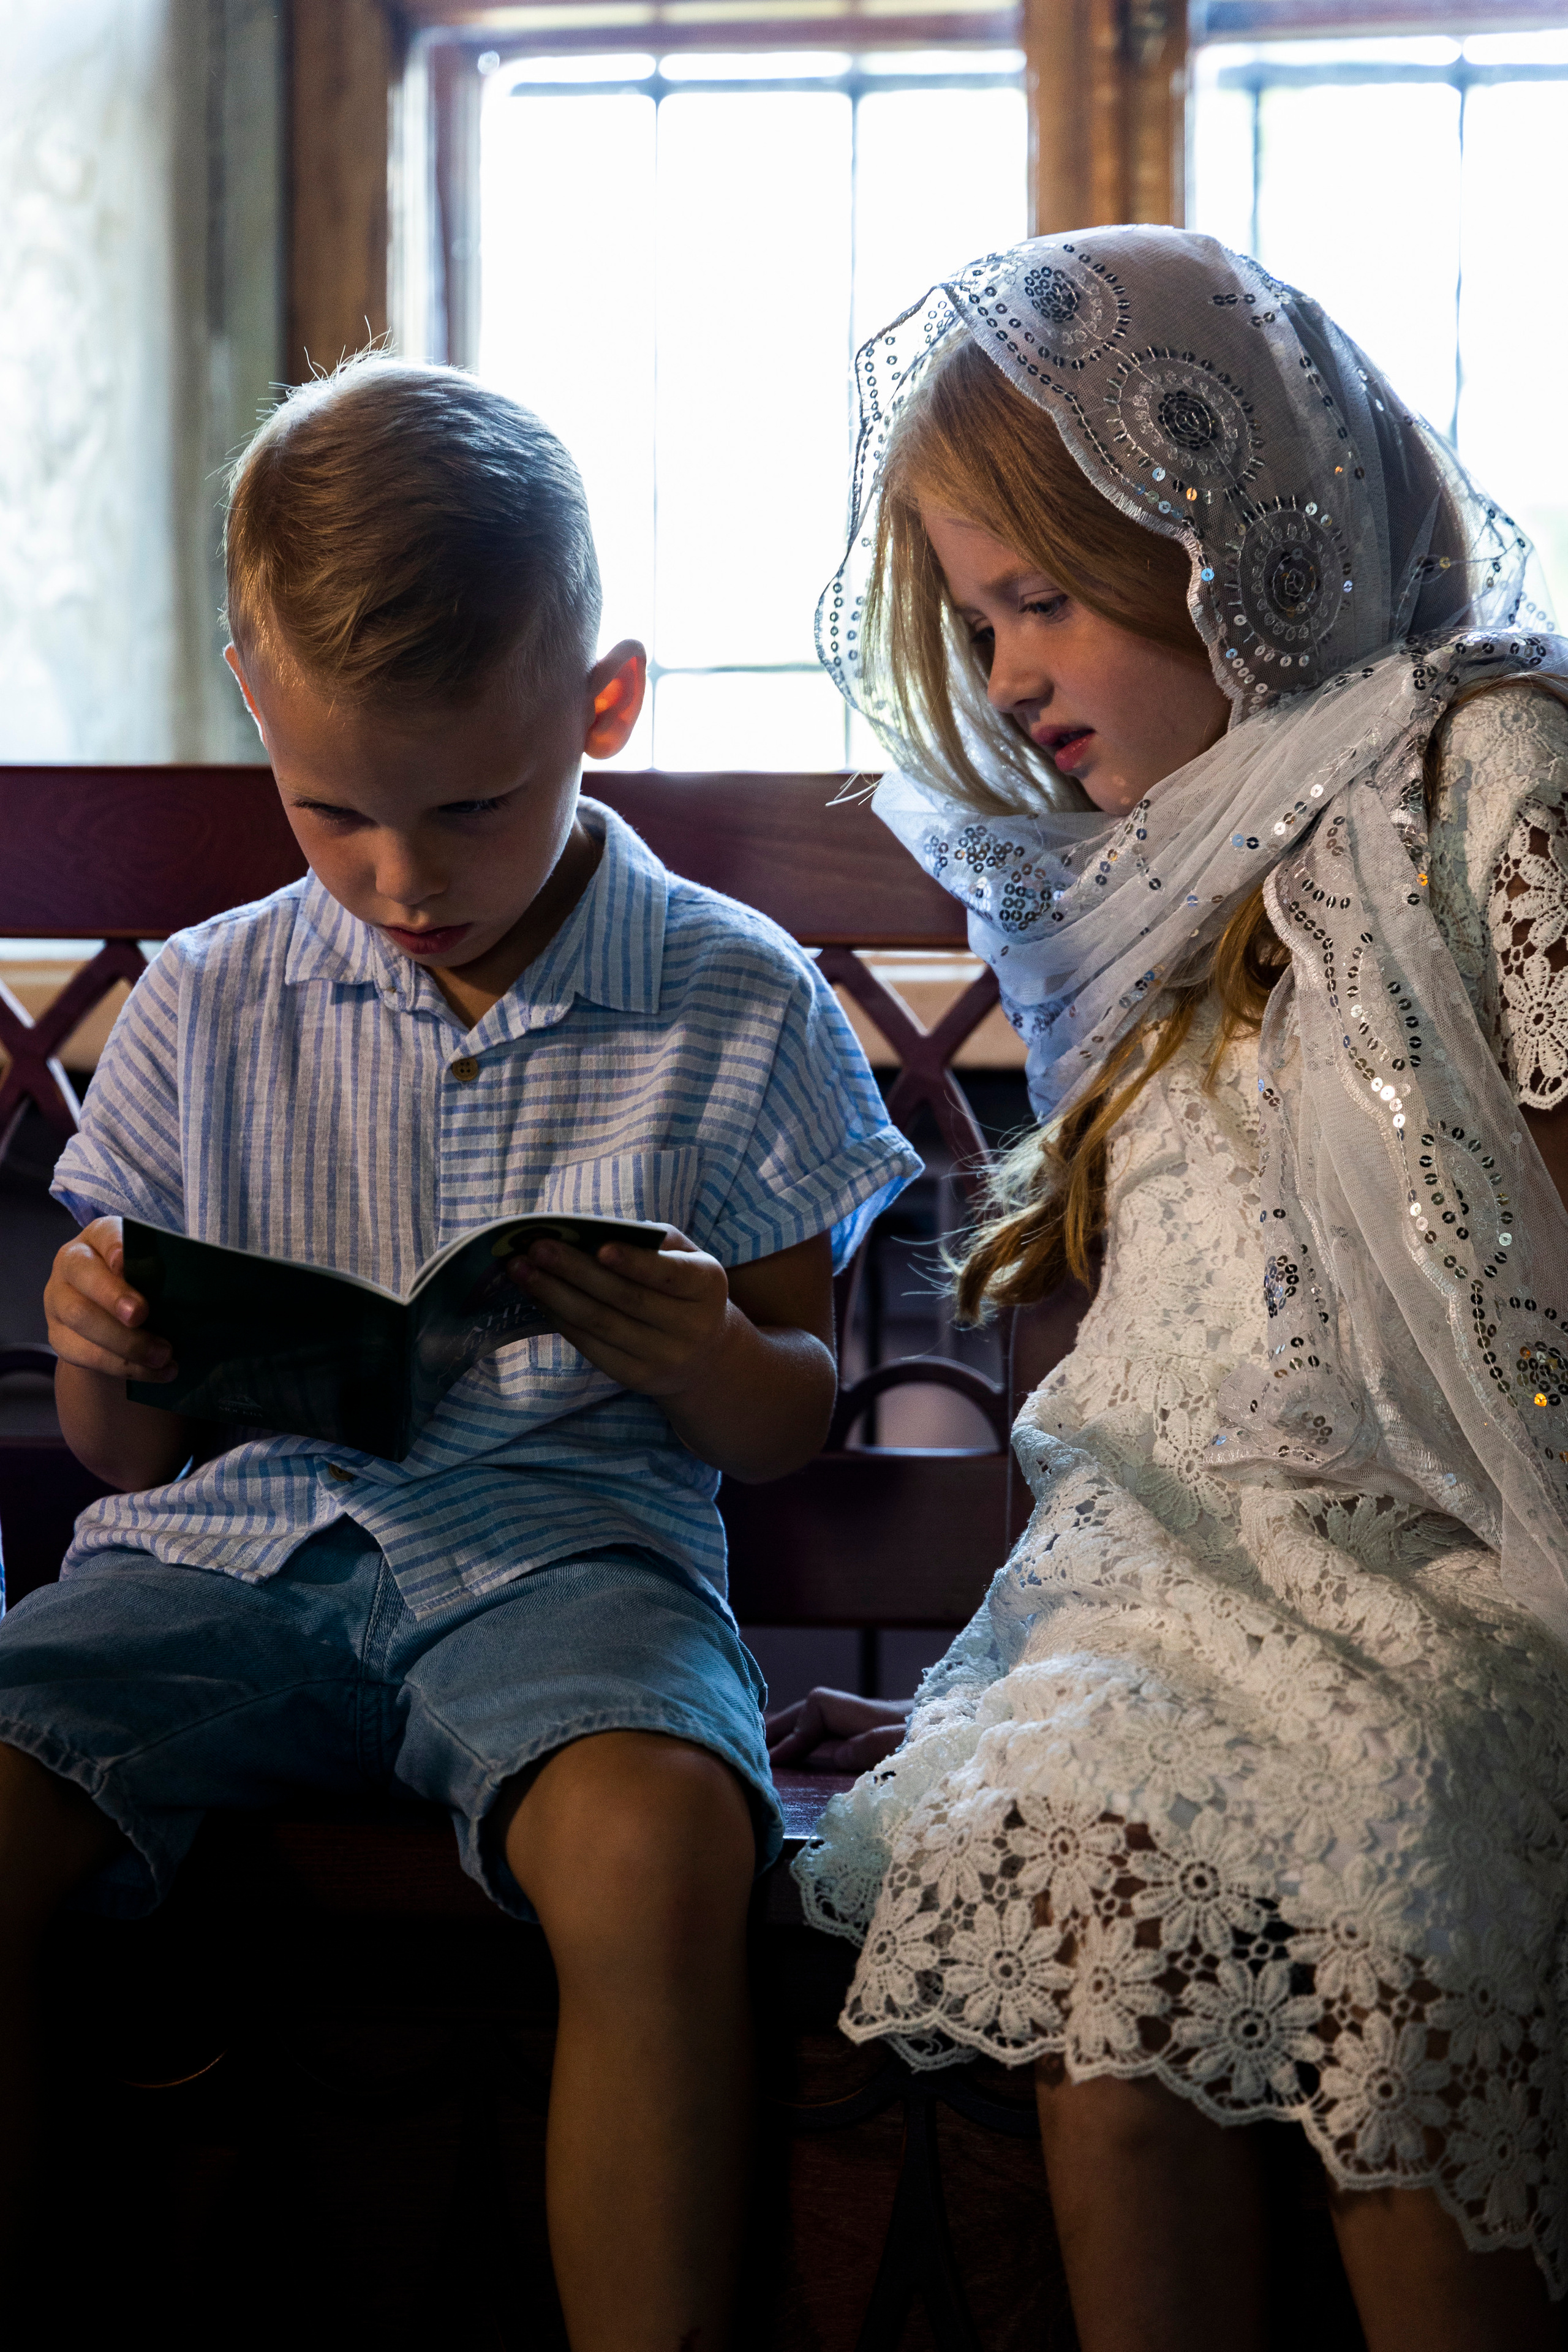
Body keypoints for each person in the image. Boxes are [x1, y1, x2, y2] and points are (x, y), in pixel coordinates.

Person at [1, 357, 919, 2350]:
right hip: (217, 1565)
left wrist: (699, 1350)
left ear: (606, 707)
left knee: (662, 1846)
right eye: (334, 810)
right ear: (255, 702)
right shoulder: (205, 1000)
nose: (404, 879)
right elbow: (122, 1464)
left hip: (564, 1567)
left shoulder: (730, 996)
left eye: (474, 808)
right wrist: (102, 1339)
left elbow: (787, 1420)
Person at [769, 227, 1568, 2350]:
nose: (1010, 673)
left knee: (1396, 1893)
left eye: (1039, 598)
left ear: (1233, 528)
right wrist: (976, 1703)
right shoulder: (1131, 898)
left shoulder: (1473, 769)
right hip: (1169, 1607)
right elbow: (1161, 1399)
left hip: (1472, 1579)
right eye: (972, 617)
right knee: (1092, 1930)